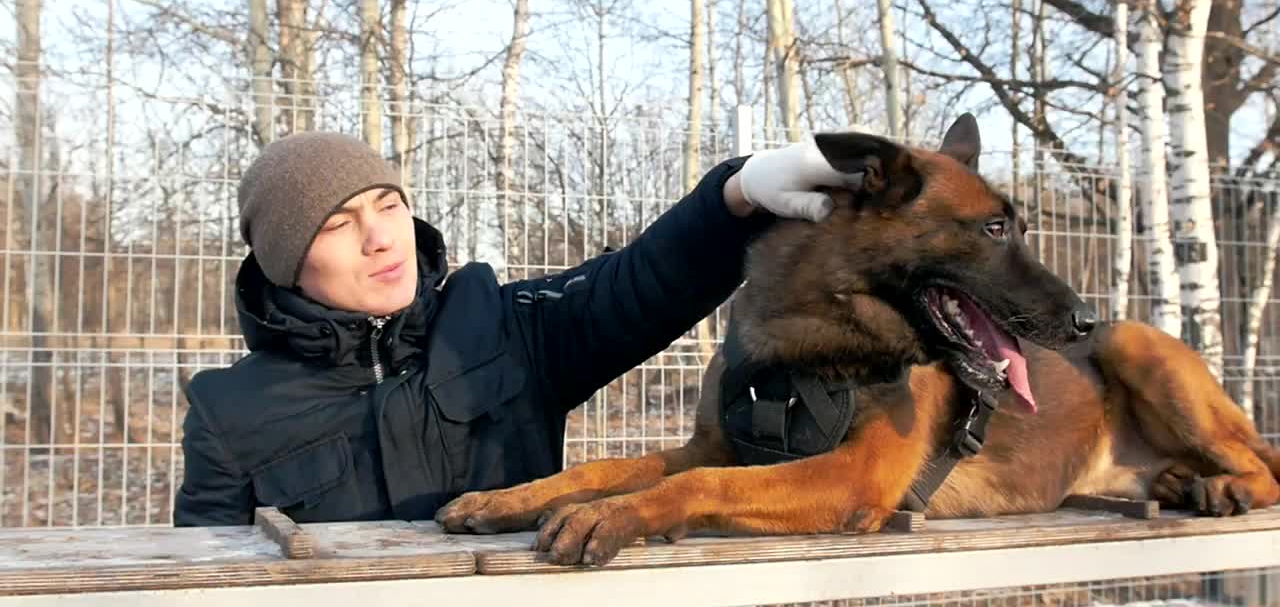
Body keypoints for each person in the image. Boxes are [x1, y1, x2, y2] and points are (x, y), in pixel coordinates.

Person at [172, 130, 854, 526]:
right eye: (337, 224)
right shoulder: (228, 415)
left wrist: (735, 193)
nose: (380, 238)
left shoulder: (502, 327)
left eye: (387, 205)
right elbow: (201, 582)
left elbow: (642, 282)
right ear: (287, 262)